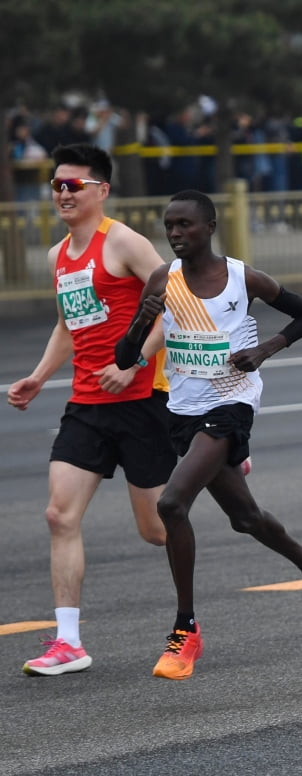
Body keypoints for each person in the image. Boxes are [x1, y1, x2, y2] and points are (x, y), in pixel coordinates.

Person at [115, 190, 302, 680]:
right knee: (246, 518)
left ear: (210, 226)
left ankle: (185, 630)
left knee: (172, 503)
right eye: (169, 225)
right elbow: (125, 358)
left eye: (185, 225)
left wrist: (265, 350)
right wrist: (140, 320)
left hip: (232, 405)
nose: (175, 233)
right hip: (183, 411)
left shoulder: (243, 278)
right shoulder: (162, 280)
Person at [7, 144, 176, 677]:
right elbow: (68, 326)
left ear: (101, 191)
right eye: (56, 185)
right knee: (60, 515)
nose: (62, 193)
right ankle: (69, 642)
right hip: (86, 404)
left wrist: (132, 364)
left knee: (157, 530)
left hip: (142, 399)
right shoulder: (60, 256)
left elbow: (177, 306)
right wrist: (39, 375)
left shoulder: (123, 242)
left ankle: (219, 466)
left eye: (73, 185)